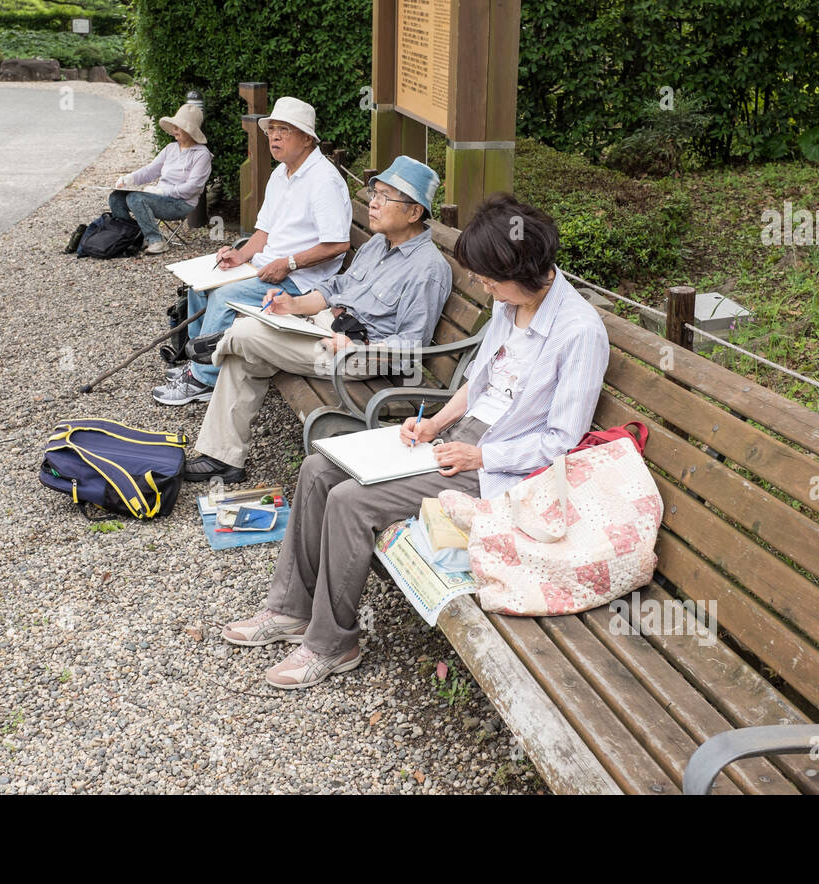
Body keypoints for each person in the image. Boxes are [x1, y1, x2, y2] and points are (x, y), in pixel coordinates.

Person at [221, 193, 611, 690]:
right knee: (318, 470)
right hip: (457, 440)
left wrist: (481, 453)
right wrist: (435, 423)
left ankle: (332, 643)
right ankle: (290, 610)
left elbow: (561, 441)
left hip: (498, 466)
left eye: (492, 277)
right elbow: (481, 382)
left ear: (529, 268)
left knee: (350, 502)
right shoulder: (509, 302)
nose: (485, 286)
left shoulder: (579, 331)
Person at [183, 155, 451, 483]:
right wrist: (293, 305)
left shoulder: (428, 269)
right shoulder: (379, 245)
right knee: (245, 352)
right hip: (326, 329)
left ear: (414, 212)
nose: (374, 203)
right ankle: (222, 458)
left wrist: (354, 348)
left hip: (359, 356)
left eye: (385, 197)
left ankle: (216, 346)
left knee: (248, 333)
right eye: (375, 193)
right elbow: (335, 288)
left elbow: (412, 344)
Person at [152, 96, 350, 406]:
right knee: (198, 285)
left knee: (222, 295)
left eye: (284, 129)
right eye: (272, 129)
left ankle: (205, 379)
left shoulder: (323, 180)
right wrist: (240, 255)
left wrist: (290, 263)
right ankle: (196, 365)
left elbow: (339, 244)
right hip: (268, 265)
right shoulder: (280, 173)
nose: (275, 136)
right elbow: (265, 231)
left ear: (307, 138)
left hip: (301, 280)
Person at [110, 103, 212, 255]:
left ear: (190, 130)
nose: (174, 131)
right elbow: (150, 171)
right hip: (160, 197)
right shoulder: (170, 148)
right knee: (116, 197)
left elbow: (193, 188)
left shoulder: (201, 155)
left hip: (181, 203)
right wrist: (129, 179)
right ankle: (133, 236)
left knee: (136, 198)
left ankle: (156, 240)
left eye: (178, 127)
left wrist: (163, 192)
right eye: (174, 127)